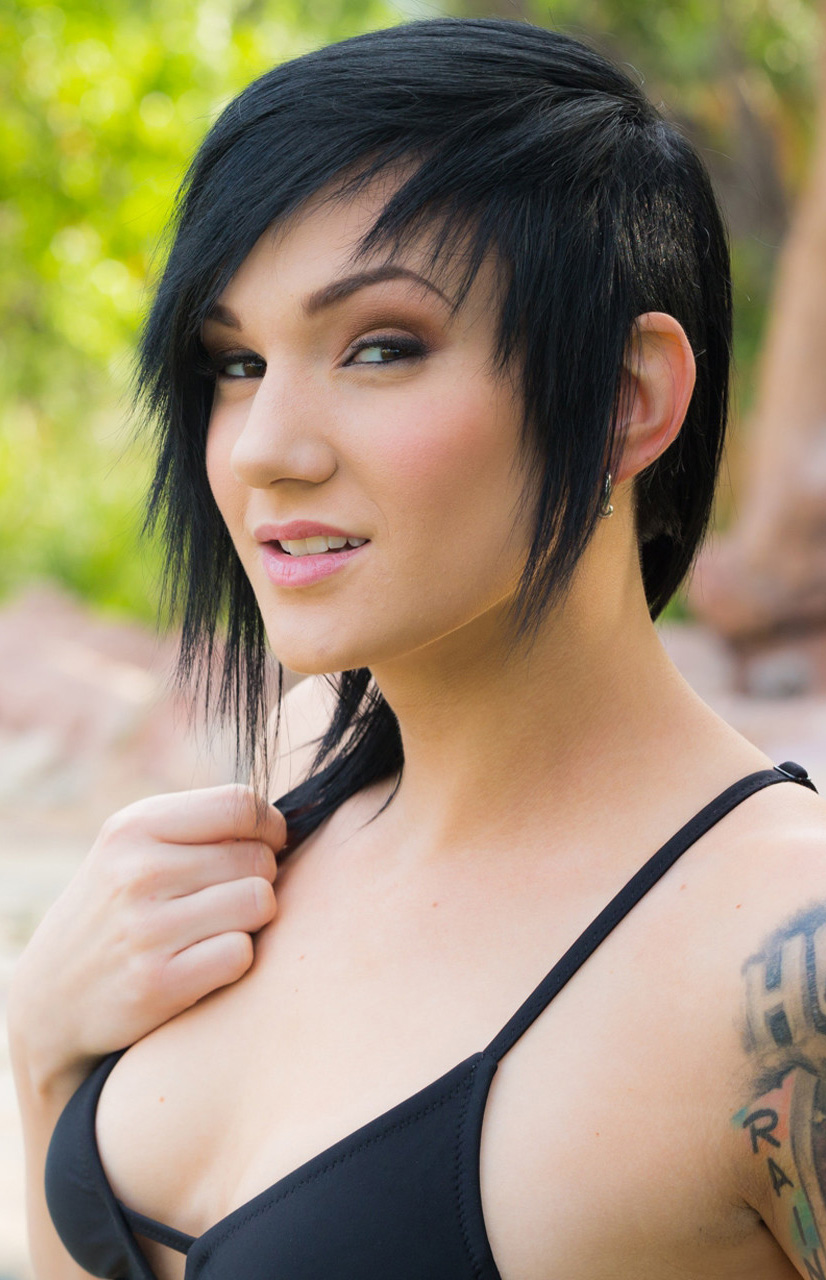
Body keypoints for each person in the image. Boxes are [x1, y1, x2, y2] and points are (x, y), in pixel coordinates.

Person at [8, 17, 826, 1280]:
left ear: (626, 397)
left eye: (380, 347)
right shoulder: (263, 824)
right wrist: (42, 1047)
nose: (264, 447)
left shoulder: (781, 960)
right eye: (236, 362)